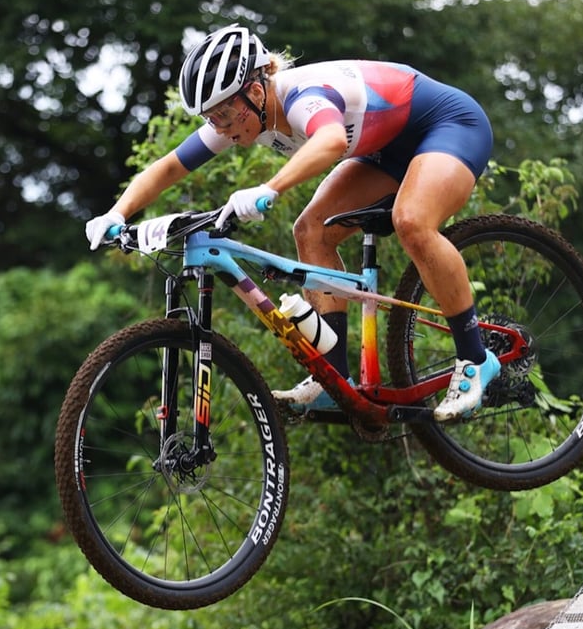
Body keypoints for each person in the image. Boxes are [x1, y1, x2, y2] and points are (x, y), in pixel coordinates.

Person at [85, 24, 499, 421]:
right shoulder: (242, 113)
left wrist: (270, 187)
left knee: (410, 220)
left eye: (225, 116)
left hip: (447, 125)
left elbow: (332, 140)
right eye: (212, 120)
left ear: (255, 90)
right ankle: (333, 379)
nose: (221, 129)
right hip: (384, 148)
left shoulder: (302, 95)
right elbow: (170, 167)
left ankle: (475, 358)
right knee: (311, 230)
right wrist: (116, 213)